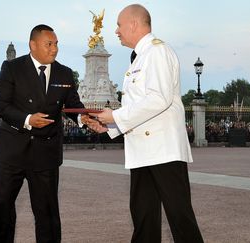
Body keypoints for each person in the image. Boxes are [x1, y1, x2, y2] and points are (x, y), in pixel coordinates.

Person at [89, 4, 204, 243]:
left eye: (119, 25)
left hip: (164, 150)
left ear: (134, 24)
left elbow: (158, 99)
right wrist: (110, 125)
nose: (116, 31)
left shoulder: (157, 52)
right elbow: (140, 106)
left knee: (180, 218)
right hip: (143, 151)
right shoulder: (140, 57)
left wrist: (116, 117)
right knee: (143, 218)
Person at [0, 24, 91, 243]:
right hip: (11, 152)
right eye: (49, 44)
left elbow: (73, 104)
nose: (54, 49)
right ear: (32, 45)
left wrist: (83, 118)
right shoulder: (12, 68)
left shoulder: (64, 72)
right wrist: (27, 120)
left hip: (46, 152)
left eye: (56, 44)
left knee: (47, 214)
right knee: (2, 209)